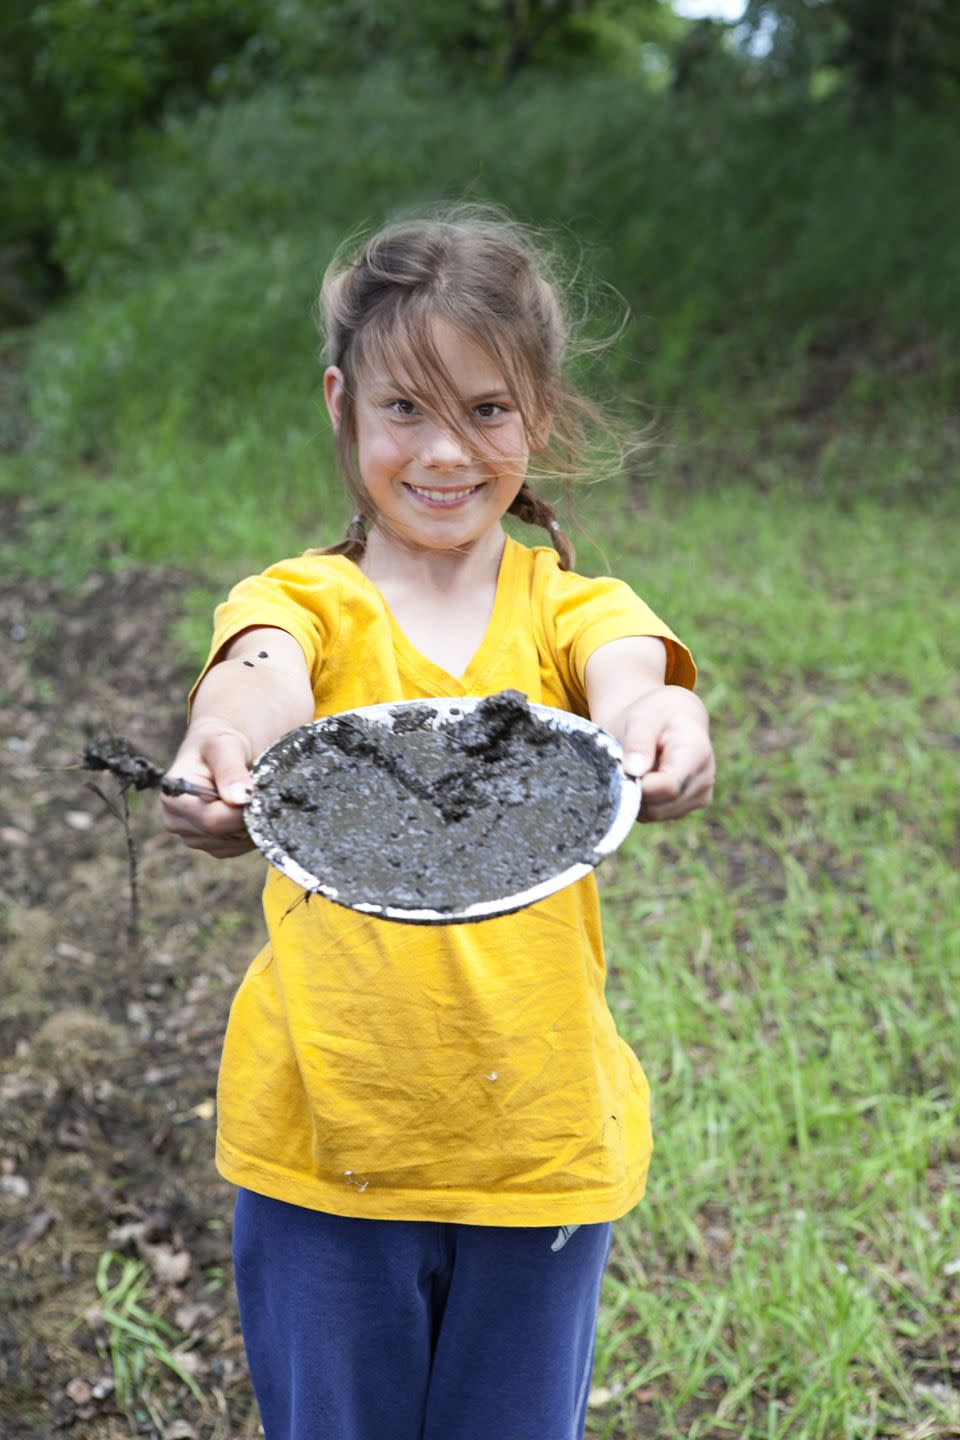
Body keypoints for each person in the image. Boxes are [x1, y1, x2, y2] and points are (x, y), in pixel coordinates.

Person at [161, 208, 714, 1440]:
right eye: (405, 408)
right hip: (326, 1148)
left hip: (539, 1154)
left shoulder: (572, 608)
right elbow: (255, 674)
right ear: (340, 403)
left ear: (541, 417)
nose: (446, 452)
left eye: (487, 409)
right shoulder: (305, 602)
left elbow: (633, 675)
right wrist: (227, 747)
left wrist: (664, 716)